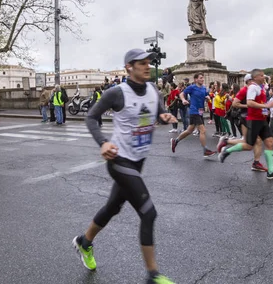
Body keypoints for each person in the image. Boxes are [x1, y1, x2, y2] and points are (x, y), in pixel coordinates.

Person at [73, 49, 176, 284]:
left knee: (112, 208)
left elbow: (158, 113)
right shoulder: (117, 93)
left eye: (149, 62)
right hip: (119, 160)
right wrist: (103, 142)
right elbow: (91, 117)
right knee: (149, 213)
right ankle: (153, 275)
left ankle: (84, 242)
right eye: (142, 63)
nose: (147, 66)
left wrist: (165, 117)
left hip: (138, 161)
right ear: (129, 67)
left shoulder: (153, 90)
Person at [218, 69, 273, 179]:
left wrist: (265, 109)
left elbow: (260, 102)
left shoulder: (260, 88)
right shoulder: (252, 88)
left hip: (261, 119)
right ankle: (227, 150)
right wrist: (266, 106)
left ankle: (271, 172)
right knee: (249, 145)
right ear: (255, 78)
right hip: (253, 120)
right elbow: (249, 102)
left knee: (270, 142)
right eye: (262, 75)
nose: (264, 77)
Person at [170, 73, 215, 157]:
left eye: (203, 78)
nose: (202, 79)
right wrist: (183, 100)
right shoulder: (192, 87)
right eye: (200, 78)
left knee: (189, 130)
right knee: (202, 130)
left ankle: (175, 141)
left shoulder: (204, 88)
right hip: (194, 111)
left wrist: (207, 97)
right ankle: (205, 150)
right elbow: (181, 94)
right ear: (195, 79)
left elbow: (206, 95)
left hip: (200, 111)